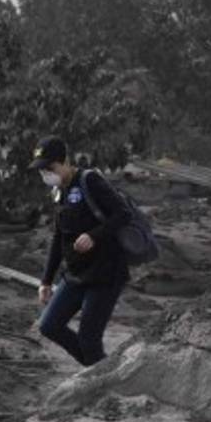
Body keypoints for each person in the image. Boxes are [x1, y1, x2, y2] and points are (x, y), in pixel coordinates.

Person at [30, 136, 133, 366]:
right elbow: (59, 237)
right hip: (76, 274)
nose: (46, 173)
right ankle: (98, 372)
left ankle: (100, 380)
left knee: (89, 340)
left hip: (105, 273)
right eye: (42, 170)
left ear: (65, 161)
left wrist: (94, 236)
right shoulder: (59, 191)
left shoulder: (90, 180)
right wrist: (46, 281)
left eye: (50, 167)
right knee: (49, 325)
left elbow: (123, 214)